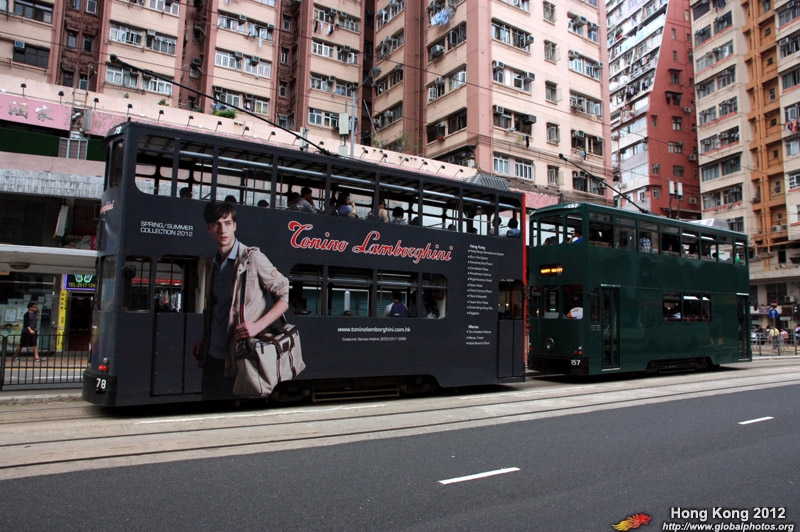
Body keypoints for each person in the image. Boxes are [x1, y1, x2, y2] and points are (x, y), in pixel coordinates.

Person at [193, 201, 290, 399]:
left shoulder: (253, 259)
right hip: (211, 357)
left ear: (235, 226)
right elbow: (219, 310)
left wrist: (258, 326)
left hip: (241, 358)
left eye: (227, 223)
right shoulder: (212, 264)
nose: (223, 230)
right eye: (217, 224)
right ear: (209, 228)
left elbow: (285, 295)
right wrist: (207, 339)